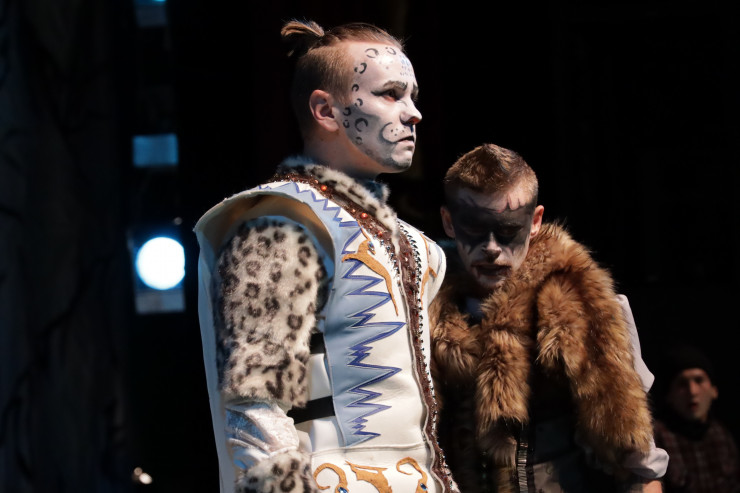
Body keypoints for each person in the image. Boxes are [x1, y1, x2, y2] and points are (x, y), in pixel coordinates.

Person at [193, 19, 457, 493]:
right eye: (391, 94)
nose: (414, 113)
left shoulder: (420, 249)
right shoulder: (280, 224)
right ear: (326, 110)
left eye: (413, 96)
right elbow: (254, 411)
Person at [429, 143, 668, 492]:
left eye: (508, 230)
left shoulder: (582, 304)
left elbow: (637, 460)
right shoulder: (421, 302)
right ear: (449, 222)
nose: (491, 248)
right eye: (474, 228)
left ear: (535, 221)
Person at [652, 343, 740, 492]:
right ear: (669, 395)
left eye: (699, 380)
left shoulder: (721, 434)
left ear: (714, 391)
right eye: (682, 384)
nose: (692, 391)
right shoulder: (657, 437)